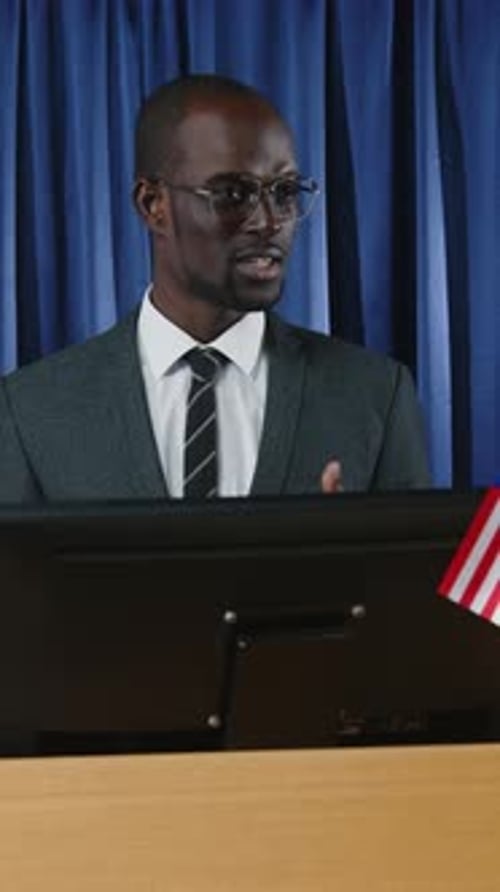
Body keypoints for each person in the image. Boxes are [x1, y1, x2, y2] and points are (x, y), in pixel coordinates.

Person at [0, 73, 431, 503]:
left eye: (284, 192)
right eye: (232, 193)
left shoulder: (374, 396)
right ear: (154, 205)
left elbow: (417, 570)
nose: (269, 222)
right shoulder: (32, 410)